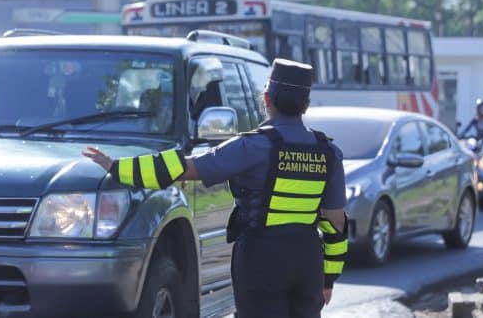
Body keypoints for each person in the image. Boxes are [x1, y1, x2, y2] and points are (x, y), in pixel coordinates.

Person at [84, 59, 348, 318]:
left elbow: (186, 167)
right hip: (308, 258)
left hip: (262, 257)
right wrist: (328, 278)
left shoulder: (251, 146)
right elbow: (335, 221)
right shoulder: (328, 152)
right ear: (306, 105)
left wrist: (118, 168)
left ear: (267, 100)